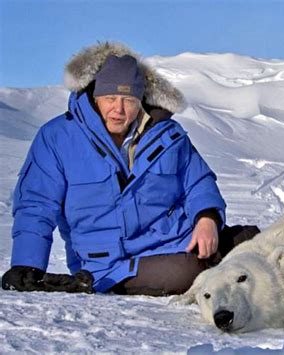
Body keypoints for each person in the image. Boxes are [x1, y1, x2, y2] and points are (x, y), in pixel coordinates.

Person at [1, 42, 259, 295]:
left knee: (254, 242)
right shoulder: (57, 137)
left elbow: (198, 183)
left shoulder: (168, 135)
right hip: (108, 264)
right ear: (95, 96)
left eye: (128, 100)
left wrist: (207, 219)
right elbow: (36, 204)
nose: (118, 109)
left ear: (141, 100)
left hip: (175, 241)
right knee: (190, 270)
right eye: (110, 98)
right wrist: (27, 265)